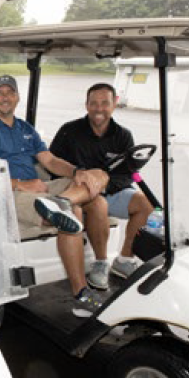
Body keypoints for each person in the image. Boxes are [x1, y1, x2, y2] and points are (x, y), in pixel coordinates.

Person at [0, 75, 111, 317]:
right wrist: (22, 184)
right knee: (73, 213)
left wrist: (78, 172)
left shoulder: (25, 128)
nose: (5, 97)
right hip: (8, 191)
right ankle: (80, 294)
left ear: (17, 97)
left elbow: (50, 161)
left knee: (98, 179)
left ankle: (63, 201)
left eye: (9, 92)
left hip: (40, 188)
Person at [50, 82, 153, 284]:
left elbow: (128, 175)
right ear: (86, 105)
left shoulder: (124, 136)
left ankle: (124, 259)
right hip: (78, 192)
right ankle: (101, 262)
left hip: (110, 190)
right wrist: (83, 178)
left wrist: (103, 183)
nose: (99, 109)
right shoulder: (69, 131)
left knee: (145, 204)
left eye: (104, 103)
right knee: (99, 204)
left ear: (114, 104)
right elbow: (52, 165)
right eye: (93, 103)